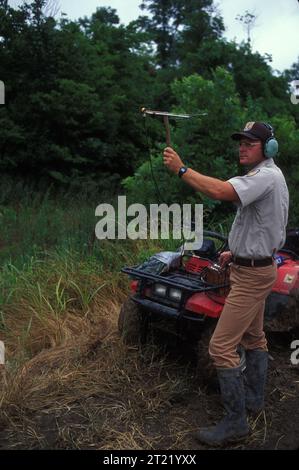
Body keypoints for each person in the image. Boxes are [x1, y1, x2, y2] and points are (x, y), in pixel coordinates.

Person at [163, 121, 289, 446]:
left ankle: (236, 423)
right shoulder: (263, 179)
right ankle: (254, 401)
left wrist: (181, 169)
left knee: (220, 347)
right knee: (254, 337)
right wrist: (237, 250)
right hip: (253, 267)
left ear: (268, 147)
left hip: (251, 277)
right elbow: (260, 224)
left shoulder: (264, 177)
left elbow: (219, 191)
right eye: (241, 142)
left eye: (250, 142)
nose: (242, 147)